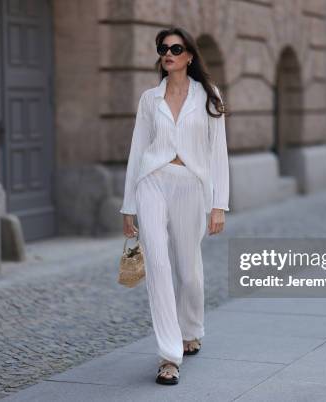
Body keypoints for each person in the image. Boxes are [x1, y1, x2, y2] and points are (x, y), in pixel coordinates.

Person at [119, 26, 230, 385]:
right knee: (159, 264)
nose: (167, 53)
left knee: (189, 271)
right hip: (153, 181)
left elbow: (218, 154)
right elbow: (137, 151)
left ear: (189, 56)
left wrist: (219, 205)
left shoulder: (209, 96)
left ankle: (192, 328)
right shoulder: (150, 100)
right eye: (162, 49)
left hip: (191, 187)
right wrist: (128, 207)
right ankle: (170, 356)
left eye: (175, 48)